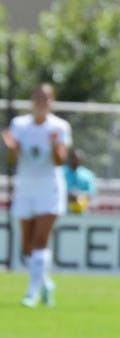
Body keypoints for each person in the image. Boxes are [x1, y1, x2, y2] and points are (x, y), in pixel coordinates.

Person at [1, 83, 71, 307]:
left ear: (51, 102)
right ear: (32, 101)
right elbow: (13, 159)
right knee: (27, 246)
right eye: (37, 98)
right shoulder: (19, 124)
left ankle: (31, 293)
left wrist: (53, 145)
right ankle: (46, 283)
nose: (41, 103)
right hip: (26, 187)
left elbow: (60, 160)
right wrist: (11, 147)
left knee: (41, 240)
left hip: (49, 188)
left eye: (45, 99)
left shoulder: (60, 127)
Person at [64, 147, 98, 213]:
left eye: (77, 159)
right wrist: (69, 195)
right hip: (64, 210)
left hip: (82, 211)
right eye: (73, 158)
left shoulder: (88, 174)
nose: (75, 161)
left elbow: (92, 193)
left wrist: (79, 196)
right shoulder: (61, 172)